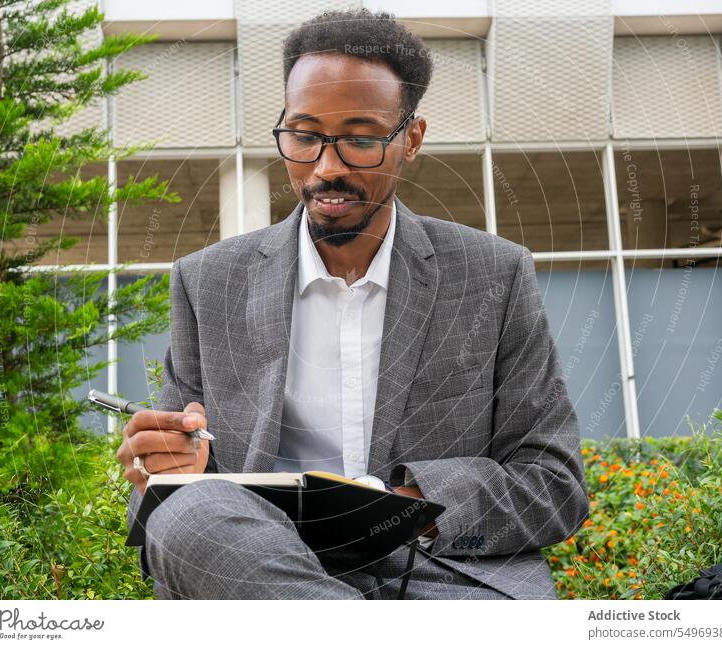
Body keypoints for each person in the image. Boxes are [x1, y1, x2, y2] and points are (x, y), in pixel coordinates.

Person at [117, 7, 589, 600]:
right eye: (305, 135)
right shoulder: (207, 282)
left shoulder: (494, 274)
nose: (326, 168)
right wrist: (165, 468)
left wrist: (409, 504)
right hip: (263, 567)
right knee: (191, 513)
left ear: (411, 139)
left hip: (445, 576)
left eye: (361, 139)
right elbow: (173, 478)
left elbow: (555, 484)